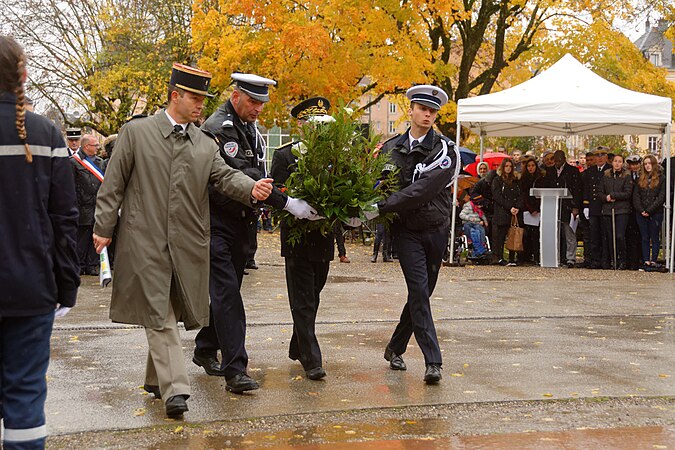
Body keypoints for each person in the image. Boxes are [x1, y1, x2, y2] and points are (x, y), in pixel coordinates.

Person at [93, 63, 275, 418]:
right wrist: (103, 227)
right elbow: (112, 184)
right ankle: (175, 389)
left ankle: (153, 379)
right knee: (160, 311)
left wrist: (251, 188)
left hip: (187, 244)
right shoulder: (137, 133)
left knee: (170, 310)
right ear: (174, 96)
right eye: (194, 97)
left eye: (203, 99)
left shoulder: (204, 143)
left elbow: (225, 176)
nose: (200, 106)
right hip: (143, 241)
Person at [194, 73, 317, 392]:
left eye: (262, 102)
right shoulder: (220, 127)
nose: (259, 108)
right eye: (253, 101)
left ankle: (206, 348)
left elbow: (259, 173)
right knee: (228, 296)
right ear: (235, 96)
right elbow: (241, 177)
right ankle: (236, 370)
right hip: (216, 222)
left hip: (239, 224)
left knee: (226, 291)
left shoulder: (246, 125)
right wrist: (288, 202)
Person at [0, 35, 80, 450]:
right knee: (25, 400)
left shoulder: (44, 133)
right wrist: (66, 286)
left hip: (31, 289)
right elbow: (65, 220)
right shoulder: (46, 133)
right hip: (31, 289)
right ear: (23, 74)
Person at [367, 85, 459, 384]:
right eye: (423, 108)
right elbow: (379, 182)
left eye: (433, 110)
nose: (428, 114)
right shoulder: (392, 148)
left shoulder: (445, 149)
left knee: (422, 294)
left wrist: (380, 206)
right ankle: (434, 362)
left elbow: (422, 190)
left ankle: (395, 347)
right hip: (406, 232)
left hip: (435, 230)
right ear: (412, 110)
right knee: (419, 291)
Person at [270, 97, 333, 381]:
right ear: (301, 125)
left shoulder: (335, 154)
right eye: (313, 124)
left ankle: (298, 345)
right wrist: (294, 204)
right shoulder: (285, 156)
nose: (318, 129)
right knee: (303, 300)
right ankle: (311, 359)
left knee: (314, 296)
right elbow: (276, 194)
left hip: (323, 236)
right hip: (296, 238)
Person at [71, 133, 105, 276]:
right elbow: (70, 186)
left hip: (97, 206)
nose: (98, 147)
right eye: (95, 145)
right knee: (81, 238)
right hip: (82, 207)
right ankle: (78, 265)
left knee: (94, 237)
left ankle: (91, 265)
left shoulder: (100, 162)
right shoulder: (73, 162)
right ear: (86, 146)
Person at [543, 150, 582, 268]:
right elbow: (547, 188)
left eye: (559, 160)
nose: (557, 163)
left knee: (569, 234)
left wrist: (576, 207)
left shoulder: (573, 171)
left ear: (564, 159)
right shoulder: (549, 171)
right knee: (555, 234)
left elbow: (577, 190)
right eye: (555, 160)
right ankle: (556, 256)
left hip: (568, 206)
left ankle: (570, 258)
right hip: (553, 207)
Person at [634, 154, 666, 271]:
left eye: (650, 163)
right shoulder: (640, 179)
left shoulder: (661, 178)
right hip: (641, 212)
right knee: (645, 237)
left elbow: (661, 197)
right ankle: (646, 260)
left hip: (655, 212)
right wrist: (641, 209)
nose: (647, 166)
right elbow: (636, 195)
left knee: (654, 237)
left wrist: (649, 210)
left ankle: (654, 260)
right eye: (645, 164)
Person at [600, 154, 632, 270]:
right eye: (615, 161)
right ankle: (612, 260)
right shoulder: (606, 175)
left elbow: (628, 193)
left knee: (619, 236)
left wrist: (614, 195)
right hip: (608, 210)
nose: (617, 163)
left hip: (622, 210)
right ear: (612, 162)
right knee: (610, 237)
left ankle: (622, 259)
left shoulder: (627, 176)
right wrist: (606, 198)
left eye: (620, 161)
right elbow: (600, 192)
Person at [583, 146, 611, 268]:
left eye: (602, 155)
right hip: (593, 206)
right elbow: (587, 188)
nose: (600, 158)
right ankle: (595, 260)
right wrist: (586, 205)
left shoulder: (610, 169)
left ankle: (605, 260)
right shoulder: (590, 171)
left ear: (606, 157)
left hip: (605, 206)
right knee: (594, 235)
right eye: (597, 156)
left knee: (605, 235)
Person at [491, 158, 522, 266]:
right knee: (500, 236)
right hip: (502, 211)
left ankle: (512, 257)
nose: (508, 168)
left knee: (514, 234)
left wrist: (517, 207)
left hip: (514, 211)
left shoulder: (516, 180)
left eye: (510, 166)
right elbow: (497, 197)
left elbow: (520, 195)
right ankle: (499, 257)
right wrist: (509, 207)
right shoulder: (497, 180)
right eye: (506, 166)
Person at [520, 157, 544, 265]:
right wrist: (531, 209)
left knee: (536, 235)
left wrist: (538, 208)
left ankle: (537, 256)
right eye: (528, 166)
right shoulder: (523, 179)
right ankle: (527, 256)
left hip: (539, 209)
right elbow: (524, 196)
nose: (531, 168)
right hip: (527, 210)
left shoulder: (540, 178)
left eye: (532, 166)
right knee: (527, 235)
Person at [625, 154, 643, 270]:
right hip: (629, 209)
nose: (635, 166)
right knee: (629, 235)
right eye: (632, 164)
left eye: (636, 164)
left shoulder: (643, 176)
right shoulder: (627, 176)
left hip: (641, 208)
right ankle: (630, 260)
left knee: (641, 235)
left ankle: (640, 259)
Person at [459, 192, 489, 258]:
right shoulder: (468, 206)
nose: (481, 207)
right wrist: (469, 218)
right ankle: (480, 250)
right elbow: (461, 215)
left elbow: (482, 215)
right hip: (468, 223)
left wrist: (485, 221)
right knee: (474, 232)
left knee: (481, 230)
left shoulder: (478, 209)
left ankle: (480, 248)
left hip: (476, 223)